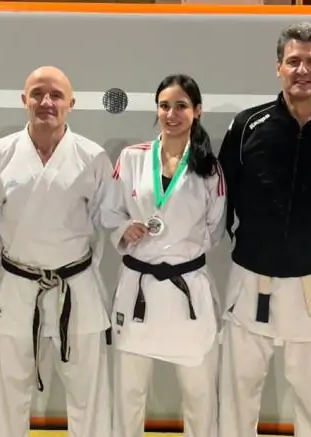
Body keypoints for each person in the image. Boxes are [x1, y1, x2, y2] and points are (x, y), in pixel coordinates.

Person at [216, 22, 311, 437]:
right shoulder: (248, 125)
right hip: (251, 275)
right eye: (293, 61)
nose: (303, 70)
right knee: (238, 390)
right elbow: (224, 190)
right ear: (278, 67)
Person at [0, 66, 113, 437]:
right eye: (38, 93)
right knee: (7, 391)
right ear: (24, 100)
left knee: (89, 392)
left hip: (76, 285)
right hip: (18, 285)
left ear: (71, 103)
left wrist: (75, 267)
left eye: (56, 95)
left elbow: (102, 223)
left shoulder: (92, 156)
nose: (46, 102)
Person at [100, 74, 227, 437]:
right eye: (165, 106)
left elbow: (215, 227)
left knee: (199, 395)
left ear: (197, 111)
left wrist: (177, 245)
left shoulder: (210, 168)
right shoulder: (132, 157)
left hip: (187, 288)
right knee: (128, 394)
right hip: (137, 287)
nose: (171, 114)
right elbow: (110, 211)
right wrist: (124, 230)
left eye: (181, 106)